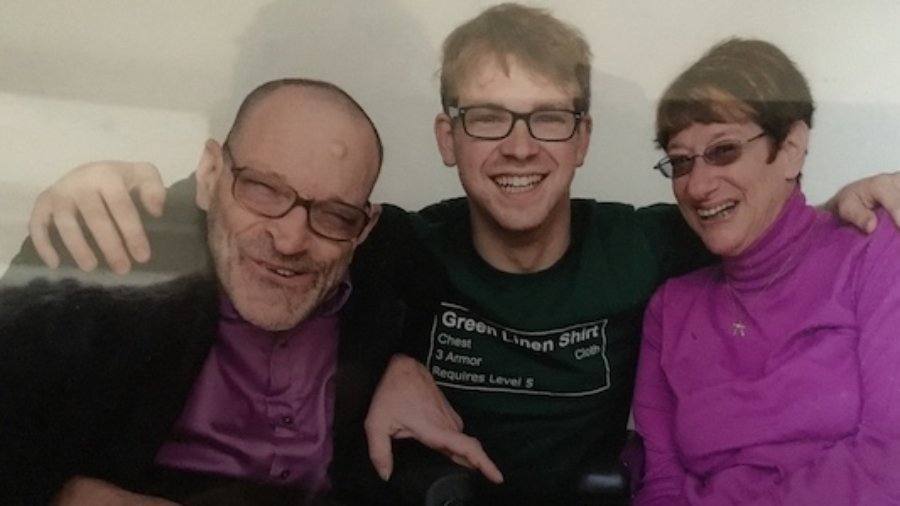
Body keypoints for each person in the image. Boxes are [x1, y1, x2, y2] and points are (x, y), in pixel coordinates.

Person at [7, 4, 900, 504]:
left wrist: (854, 198)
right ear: (445, 136)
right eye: (485, 118)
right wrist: (106, 180)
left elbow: (744, 220)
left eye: (548, 117)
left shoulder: (651, 243)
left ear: (584, 138)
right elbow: (257, 206)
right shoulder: (397, 247)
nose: (518, 147)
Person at [0, 78, 407, 505]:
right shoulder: (109, 246)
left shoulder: (387, 267)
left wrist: (409, 361)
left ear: (364, 228)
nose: (290, 240)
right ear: (210, 173)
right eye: (263, 189)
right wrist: (63, 494)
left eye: (334, 215)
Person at [632, 38, 900, 504]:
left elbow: (890, 458)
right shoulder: (671, 308)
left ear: (791, 148)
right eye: (680, 162)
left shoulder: (874, 250)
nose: (697, 186)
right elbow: (661, 483)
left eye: (723, 151)